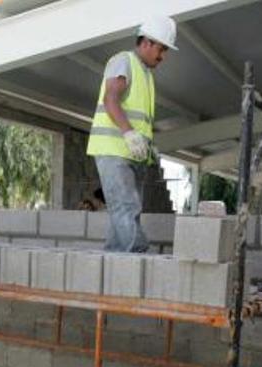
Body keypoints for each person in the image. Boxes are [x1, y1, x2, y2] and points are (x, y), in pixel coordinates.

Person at [86, 15, 177, 252]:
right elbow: (110, 99)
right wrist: (129, 133)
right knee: (126, 207)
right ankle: (139, 256)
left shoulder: (146, 75)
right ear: (146, 42)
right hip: (113, 150)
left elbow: (140, 120)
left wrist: (145, 143)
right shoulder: (123, 61)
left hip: (133, 154)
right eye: (162, 49)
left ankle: (114, 266)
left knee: (124, 215)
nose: (163, 56)